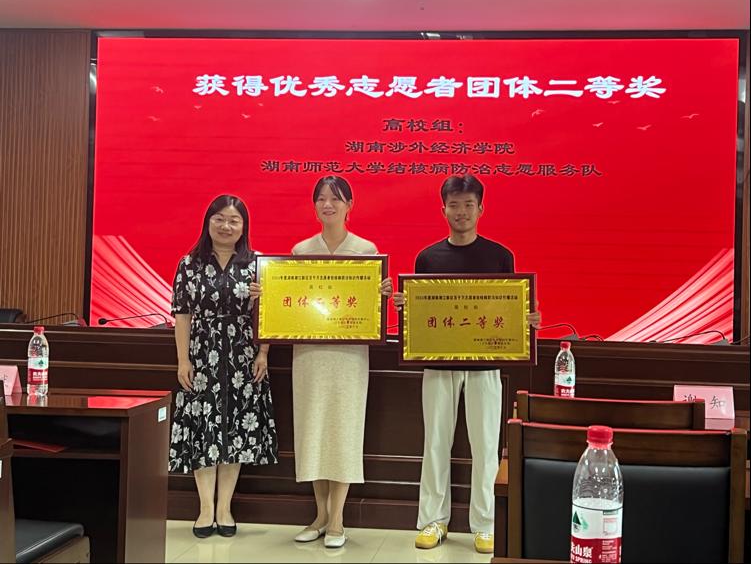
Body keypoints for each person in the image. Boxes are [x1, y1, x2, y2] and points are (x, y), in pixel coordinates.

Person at [393, 175, 541, 554]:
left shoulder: (500, 256)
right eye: (454, 205)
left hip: (486, 364)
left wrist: (526, 320)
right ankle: (433, 520)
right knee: (435, 442)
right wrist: (405, 308)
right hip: (438, 362)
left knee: (486, 445)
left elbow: (508, 310)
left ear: (481, 209)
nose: (461, 212)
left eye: (468, 205)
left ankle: (486, 524)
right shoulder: (427, 258)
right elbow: (421, 314)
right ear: (443, 209)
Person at [281, 176, 392, 549]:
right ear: (314, 205)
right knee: (313, 430)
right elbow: (290, 302)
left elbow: (370, 308)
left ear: (349, 205)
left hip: (348, 354)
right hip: (310, 353)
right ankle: (319, 515)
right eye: (321, 199)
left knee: (343, 430)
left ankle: (338, 519)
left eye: (336, 198)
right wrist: (268, 293)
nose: (328, 204)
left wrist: (381, 294)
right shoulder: (300, 251)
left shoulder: (365, 250)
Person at [169, 194, 278, 539]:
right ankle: (205, 509)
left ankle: (224, 508)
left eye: (234, 220)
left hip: (244, 358)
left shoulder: (258, 264)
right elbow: (182, 315)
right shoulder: (189, 263)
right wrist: (183, 360)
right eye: (219, 219)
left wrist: (263, 353)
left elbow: (269, 314)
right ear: (208, 222)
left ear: (244, 227)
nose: (226, 226)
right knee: (203, 429)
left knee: (236, 431)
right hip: (202, 357)